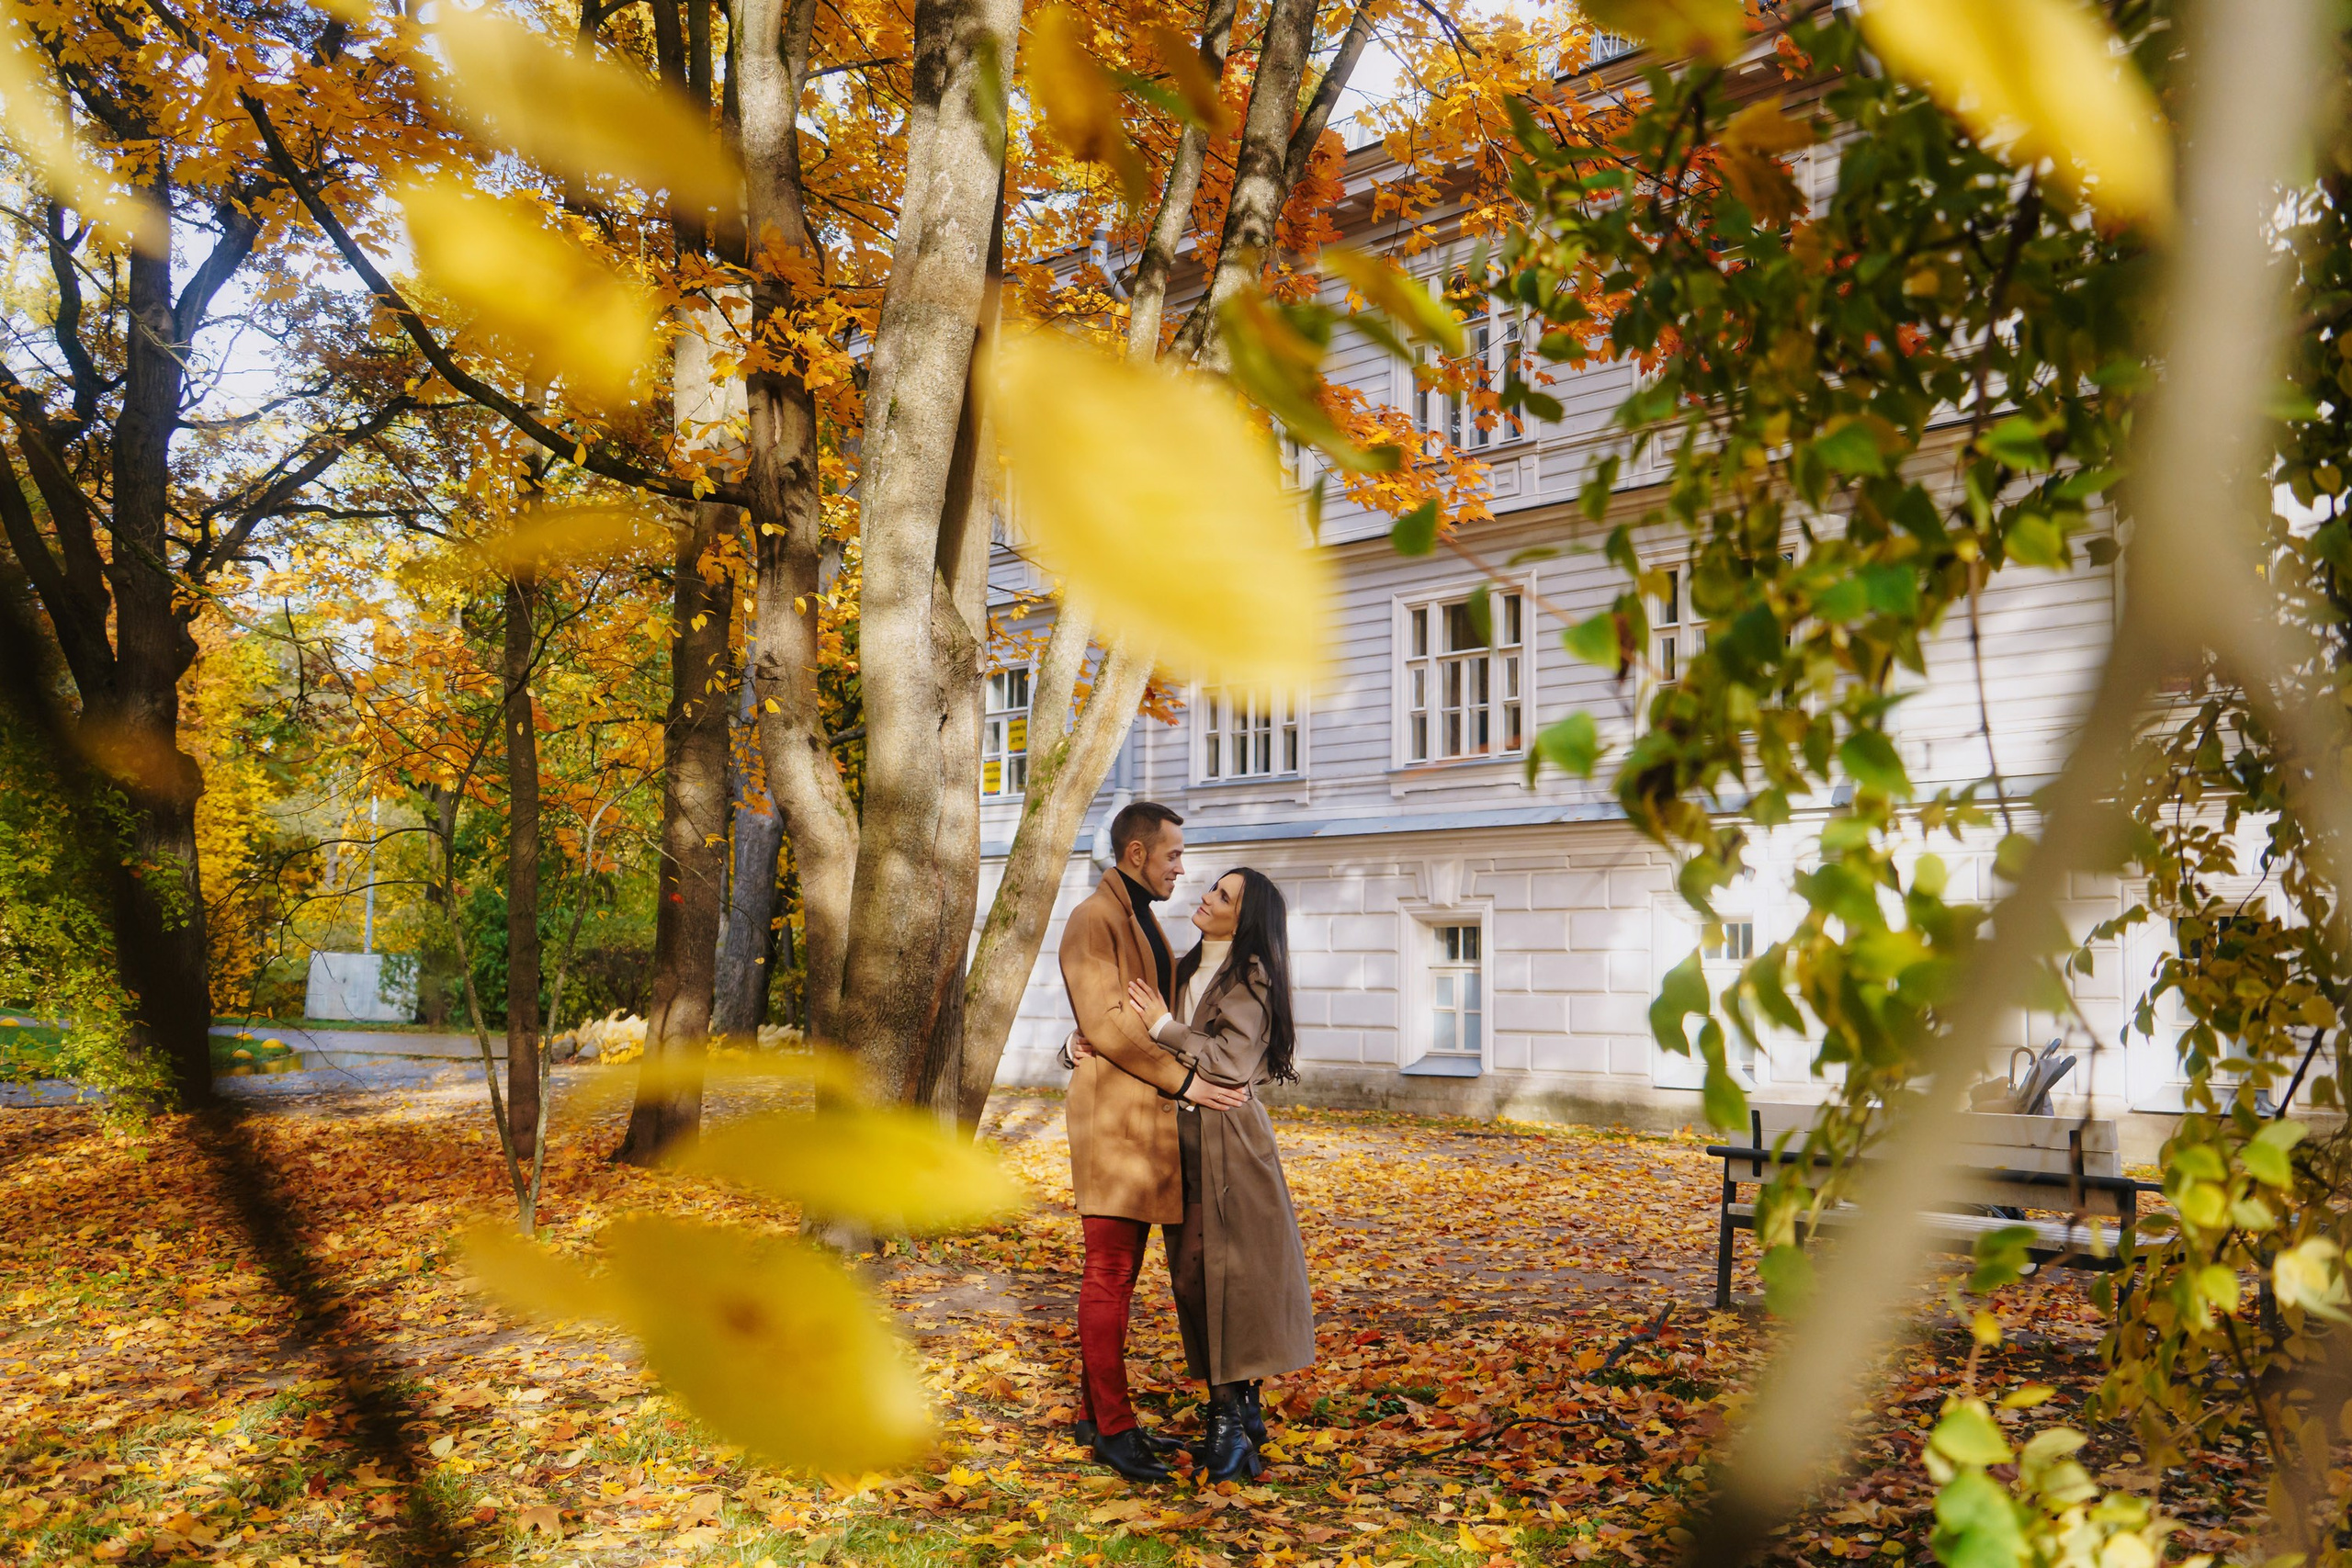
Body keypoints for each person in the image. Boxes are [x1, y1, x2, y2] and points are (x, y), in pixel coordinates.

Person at [1057, 801, 1250, 1483]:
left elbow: (1119, 1015)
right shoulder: (1094, 918)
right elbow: (1107, 1024)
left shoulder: (1139, 917)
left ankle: (1093, 1415)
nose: (1181, 865)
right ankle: (1114, 1428)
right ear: (1136, 854)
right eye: (1172, 854)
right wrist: (1187, 1081)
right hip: (1114, 1126)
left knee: (1120, 1276)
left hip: (1142, 1124)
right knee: (1108, 1275)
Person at [1113, 866, 1316, 1483]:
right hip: (1189, 1142)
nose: (1206, 896)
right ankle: (1241, 1414)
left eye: (1222, 896)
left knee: (1227, 1277)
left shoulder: (1250, 974)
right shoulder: (1193, 963)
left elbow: (1229, 1062)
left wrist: (1164, 1028)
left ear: (1242, 917)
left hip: (1231, 1143)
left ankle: (1229, 1420)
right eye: (1211, 887)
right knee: (1198, 1275)